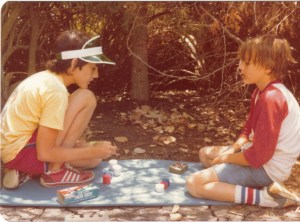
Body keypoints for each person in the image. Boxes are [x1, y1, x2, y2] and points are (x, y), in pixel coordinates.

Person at [186, 35, 300, 208]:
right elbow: (248, 131)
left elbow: (259, 156)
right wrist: (231, 149)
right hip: (260, 159)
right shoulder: (261, 92)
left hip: (268, 169)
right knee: (205, 154)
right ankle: (259, 187)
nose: (240, 67)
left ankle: (268, 199)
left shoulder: (272, 98)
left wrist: (227, 159)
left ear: (268, 67)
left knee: (195, 184)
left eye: (247, 63)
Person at [1, 30, 118, 189]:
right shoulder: (55, 92)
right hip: (22, 153)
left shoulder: (46, 78)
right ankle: (54, 172)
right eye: (93, 68)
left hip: (15, 149)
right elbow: (45, 153)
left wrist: (90, 151)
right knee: (86, 98)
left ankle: (25, 171)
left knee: (94, 161)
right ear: (74, 65)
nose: (96, 75)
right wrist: (93, 151)